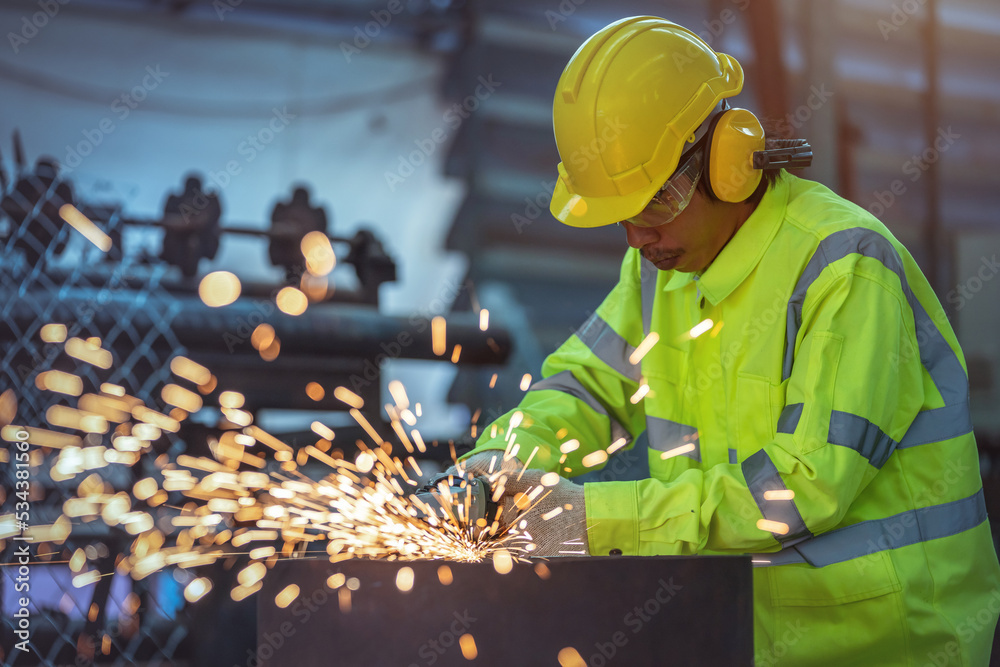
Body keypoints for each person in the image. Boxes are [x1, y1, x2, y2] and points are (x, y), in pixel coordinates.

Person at [458, 16, 1000, 666]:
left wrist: (587, 520)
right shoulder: (662, 271)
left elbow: (801, 488)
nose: (636, 237)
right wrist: (495, 464)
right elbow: (584, 389)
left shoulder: (845, 266)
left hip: (885, 643)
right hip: (736, 634)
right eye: (621, 213)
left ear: (730, 162)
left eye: (655, 202)